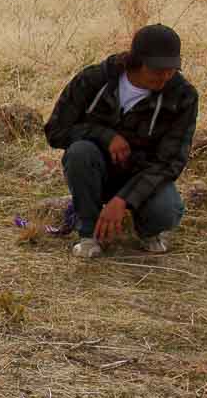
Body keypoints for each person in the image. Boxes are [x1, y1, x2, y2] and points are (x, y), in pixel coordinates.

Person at [44, 23, 198, 258]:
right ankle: (88, 234)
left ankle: (148, 230)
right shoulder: (94, 79)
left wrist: (123, 200)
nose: (166, 76)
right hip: (96, 170)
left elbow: (170, 162)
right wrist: (105, 136)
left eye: (171, 69)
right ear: (136, 61)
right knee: (80, 152)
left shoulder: (183, 96)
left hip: (143, 175)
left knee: (166, 211)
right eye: (157, 69)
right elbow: (56, 131)